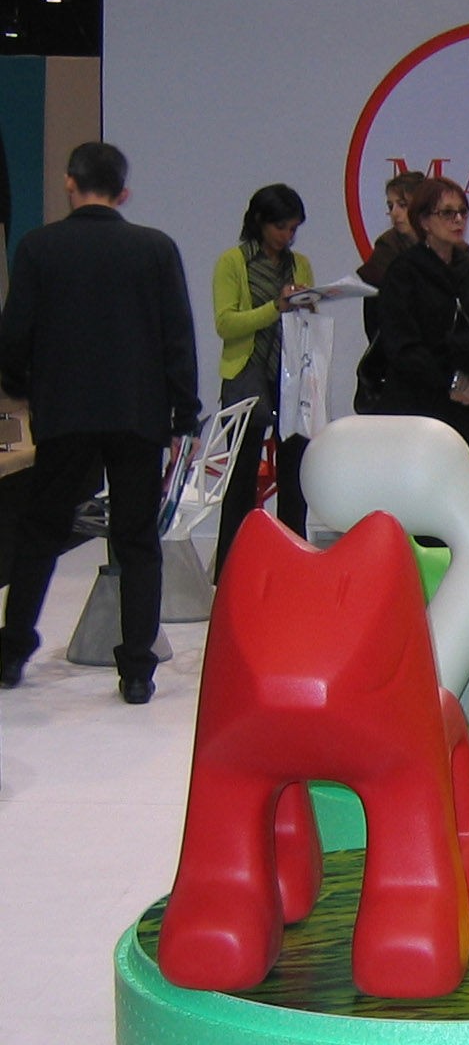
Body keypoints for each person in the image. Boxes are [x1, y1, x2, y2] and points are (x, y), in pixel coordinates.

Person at [0, 141, 200, 704]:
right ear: (124, 192)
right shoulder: (155, 248)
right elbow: (176, 336)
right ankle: (137, 670)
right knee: (137, 540)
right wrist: (184, 412)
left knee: (41, 531)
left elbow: (15, 333)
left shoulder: (39, 247)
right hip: (138, 413)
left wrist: (22, 386)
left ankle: (12, 652)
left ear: (70, 182)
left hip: (64, 413)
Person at [373, 175, 469, 496]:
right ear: (424, 221)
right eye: (447, 213)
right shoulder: (403, 273)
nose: (458, 220)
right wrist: (452, 381)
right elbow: (403, 347)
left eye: (463, 211)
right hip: (424, 406)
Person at [212, 182, 314, 577]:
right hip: (247, 374)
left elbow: (306, 319)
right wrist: (275, 307)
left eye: (293, 229)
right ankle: (232, 570)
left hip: (291, 374)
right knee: (241, 479)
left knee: (294, 478)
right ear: (259, 221)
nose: (287, 236)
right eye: (280, 227)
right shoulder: (233, 262)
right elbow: (226, 323)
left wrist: (309, 303)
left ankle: (293, 565)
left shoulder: (299, 263)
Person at [354, 169, 425, 411]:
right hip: (395, 367)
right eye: (390, 206)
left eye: (402, 205)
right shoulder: (386, 249)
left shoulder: (447, 247)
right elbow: (377, 318)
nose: (394, 213)